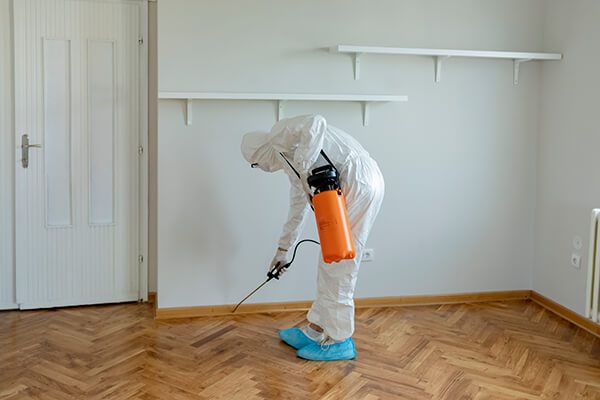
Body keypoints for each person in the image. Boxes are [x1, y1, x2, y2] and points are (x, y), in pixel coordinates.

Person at [240, 115, 384, 361]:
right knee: (329, 261)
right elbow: (297, 210)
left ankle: (340, 340)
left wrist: (306, 168)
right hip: (352, 184)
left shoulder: (279, 134)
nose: (262, 169)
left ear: (260, 152)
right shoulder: (291, 166)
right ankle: (316, 330)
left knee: (340, 264)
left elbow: (316, 122)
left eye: (256, 164)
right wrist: (282, 251)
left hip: (359, 181)